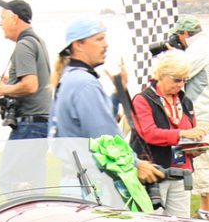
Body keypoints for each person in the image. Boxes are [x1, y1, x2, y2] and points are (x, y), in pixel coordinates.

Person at [50, 17, 163, 189]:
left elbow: (92, 122)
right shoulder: (85, 83)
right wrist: (136, 164)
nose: (106, 45)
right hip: (91, 184)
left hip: (73, 179)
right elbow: (104, 136)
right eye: (99, 39)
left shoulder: (68, 78)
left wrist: (117, 95)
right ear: (78, 45)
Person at [131, 53, 204, 218]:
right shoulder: (142, 100)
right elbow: (149, 133)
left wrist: (196, 147)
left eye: (185, 80)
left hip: (181, 172)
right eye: (177, 79)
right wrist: (182, 133)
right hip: (153, 172)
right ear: (161, 76)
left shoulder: (185, 101)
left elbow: (190, 133)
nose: (181, 84)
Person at [0, 0, 51, 193]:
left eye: (3, 18)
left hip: (29, 125)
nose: (0, 23)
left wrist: (2, 89)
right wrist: (13, 82)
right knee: (35, 184)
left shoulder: (24, 45)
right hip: (40, 123)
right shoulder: (37, 41)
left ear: (15, 19)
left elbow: (31, 85)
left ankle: (21, 220)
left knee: (8, 180)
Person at [172, 15, 209, 220]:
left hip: (204, 115)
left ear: (185, 33)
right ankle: (205, 210)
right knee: (203, 164)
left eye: (179, 36)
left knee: (206, 166)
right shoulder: (205, 46)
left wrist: (170, 56)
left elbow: (179, 73)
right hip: (207, 114)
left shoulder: (199, 50)